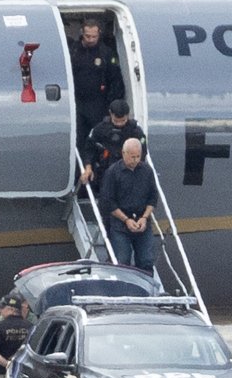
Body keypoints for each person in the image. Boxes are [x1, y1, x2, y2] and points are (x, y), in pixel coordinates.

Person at [99, 138, 162, 281]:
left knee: (146, 260)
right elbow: (108, 202)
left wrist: (145, 217)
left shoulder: (147, 171)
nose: (135, 160)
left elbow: (153, 198)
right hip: (121, 224)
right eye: (132, 156)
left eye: (138, 156)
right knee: (122, 261)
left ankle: (146, 290)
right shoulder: (113, 172)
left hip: (142, 222)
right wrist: (126, 220)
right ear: (123, 153)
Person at [69, 19, 125, 162]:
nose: (91, 40)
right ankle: (79, 168)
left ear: (99, 34)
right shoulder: (73, 51)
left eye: (94, 36)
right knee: (78, 138)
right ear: (82, 33)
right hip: (77, 102)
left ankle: (97, 168)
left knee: (98, 138)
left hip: (98, 103)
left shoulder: (106, 53)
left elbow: (115, 80)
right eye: (88, 36)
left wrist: (111, 105)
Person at [82, 99, 146, 188]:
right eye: (116, 121)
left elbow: (143, 151)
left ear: (127, 115)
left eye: (122, 120)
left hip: (128, 171)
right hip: (105, 171)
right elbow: (89, 149)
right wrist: (88, 168)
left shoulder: (135, 131)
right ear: (110, 114)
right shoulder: (100, 129)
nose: (119, 124)